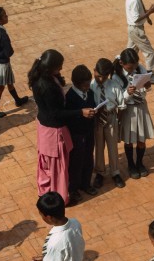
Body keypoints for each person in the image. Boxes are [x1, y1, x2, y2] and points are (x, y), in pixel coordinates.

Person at [28, 49, 95, 203]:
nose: (61, 69)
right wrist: (80, 112)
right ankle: (61, 196)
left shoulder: (45, 78)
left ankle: (56, 191)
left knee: (53, 165)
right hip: (53, 130)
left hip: (48, 127)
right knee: (58, 167)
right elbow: (56, 113)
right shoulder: (46, 86)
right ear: (50, 68)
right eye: (59, 67)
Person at [114, 48, 154, 180]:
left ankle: (140, 163)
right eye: (130, 67)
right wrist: (127, 93)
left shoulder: (140, 68)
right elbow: (117, 99)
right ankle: (131, 164)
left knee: (141, 139)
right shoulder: (116, 76)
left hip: (141, 106)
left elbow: (147, 87)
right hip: (128, 109)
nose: (133, 69)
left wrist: (148, 85)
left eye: (135, 66)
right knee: (129, 139)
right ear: (122, 63)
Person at [0, 6, 29, 119]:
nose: (7, 16)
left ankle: (18, 100)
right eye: (5, 15)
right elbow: (9, 51)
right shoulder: (2, 34)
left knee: (9, 82)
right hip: (1, 65)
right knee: (0, 88)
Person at [64, 65, 98, 205]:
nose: (87, 88)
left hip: (89, 132)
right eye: (85, 86)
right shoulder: (70, 97)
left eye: (88, 85)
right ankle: (73, 188)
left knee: (88, 158)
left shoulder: (89, 93)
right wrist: (82, 114)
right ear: (77, 84)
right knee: (76, 162)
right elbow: (69, 117)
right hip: (76, 135)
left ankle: (86, 183)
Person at [91, 58, 126, 190]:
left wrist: (118, 120)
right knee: (99, 147)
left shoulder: (114, 85)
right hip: (97, 120)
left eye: (104, 77)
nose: (101, 79)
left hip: (111, 118)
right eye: (98, 76)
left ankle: (115, 172)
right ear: (94, 71)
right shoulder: (91, 86)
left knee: (113, 147)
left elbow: (122, 105)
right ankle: (100, 172)